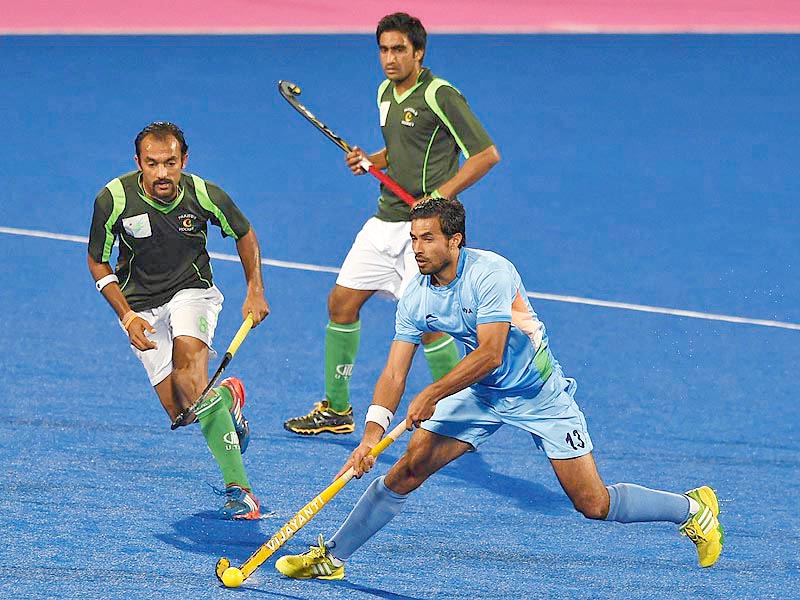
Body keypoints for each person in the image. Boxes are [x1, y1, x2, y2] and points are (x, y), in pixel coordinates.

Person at [275, 198, 724, 578]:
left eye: (427, 238)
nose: (417, 249)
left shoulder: (492, 273)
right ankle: (331, 557)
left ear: (455, 239)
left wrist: (432, 394)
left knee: (593, 503)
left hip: (538, 394)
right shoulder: (416, 294)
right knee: (406, 470)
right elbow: (394, 373)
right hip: (481, 394)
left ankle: (691, 509)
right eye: (413, 239)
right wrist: (372, 436)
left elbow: (490, 352)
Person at [283, 12, 501, 436]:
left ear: (418, 52)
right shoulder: (385, 91)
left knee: (428, 327)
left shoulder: (441, 95)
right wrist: (373, 160)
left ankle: (460, 413)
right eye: (383, 49)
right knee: (341, 303)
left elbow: (485, 154)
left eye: (399, 49)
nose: (390, 58)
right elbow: (402, 147)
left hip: (421, 228)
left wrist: (444, 192)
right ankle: (337, 410)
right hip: (384, 219)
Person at [87, 121, 270, 519]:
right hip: (141, 307)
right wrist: (126, 316)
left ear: (183, 160)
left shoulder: (204, 193)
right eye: (152, 164)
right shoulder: (113, 199)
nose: (162, 173)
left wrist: (255, 288)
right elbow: (98, 261)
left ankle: (240, 489)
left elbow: (244, 233)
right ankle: (226, 397)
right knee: (182, 411)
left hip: (193, 291)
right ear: (138, 163)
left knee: (190, 373)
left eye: (170, 163)